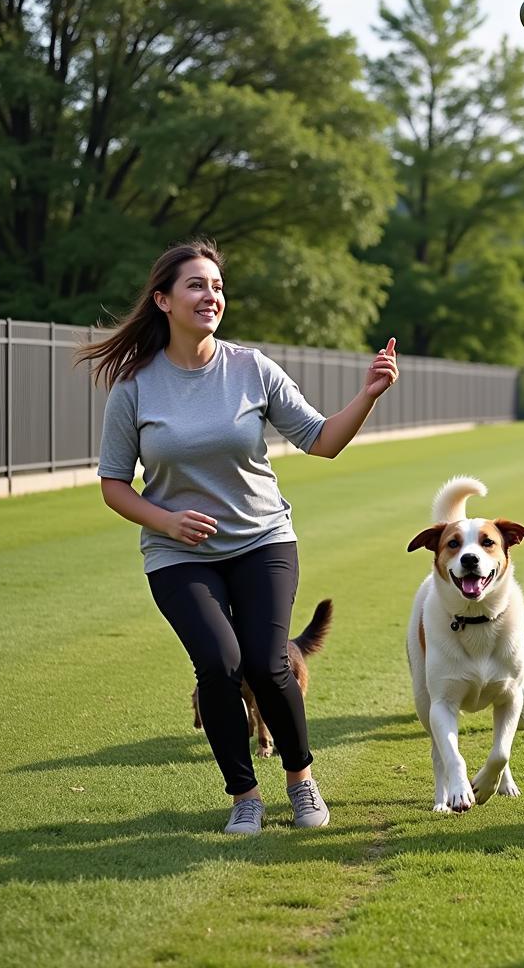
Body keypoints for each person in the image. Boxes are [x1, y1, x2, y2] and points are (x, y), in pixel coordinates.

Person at [77, 238, 398, 834]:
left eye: (217, 286)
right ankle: (244, 797)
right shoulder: (136, 386)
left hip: (262, 541)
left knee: (268, 662)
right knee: (219, 666)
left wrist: (369, 393)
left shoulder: (252, 368)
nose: (210, 295)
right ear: (163, 300)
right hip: (179, 554)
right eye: (196, 285)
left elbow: (321, 440)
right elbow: (114, 484)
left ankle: (302, 783)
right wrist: (166, 521)